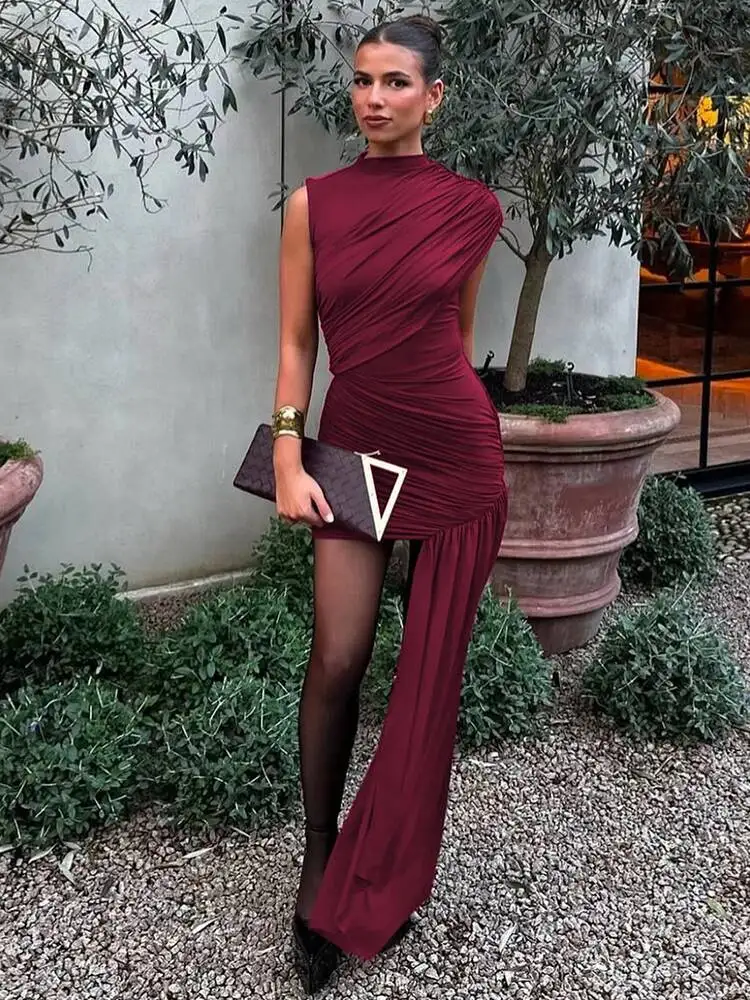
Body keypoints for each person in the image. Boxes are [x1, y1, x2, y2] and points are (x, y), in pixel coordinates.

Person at [270, 13, 508, 993]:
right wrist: (287, 449)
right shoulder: (313, 204)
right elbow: (297, 341)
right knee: (339, 656)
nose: (374, 98)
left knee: (426, 679)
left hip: (455, 453)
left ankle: (391, 868)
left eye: (396, 82)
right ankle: (322, 856)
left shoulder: (474, 209)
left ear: (433, 97)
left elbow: (456, 336)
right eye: (363, 80)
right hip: (352, 446)